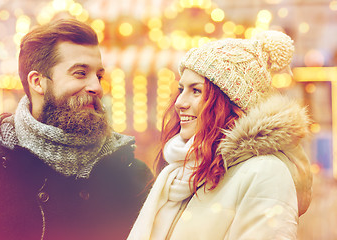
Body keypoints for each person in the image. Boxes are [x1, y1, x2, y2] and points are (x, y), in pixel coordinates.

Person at [128, 30, 313, 240]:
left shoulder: (265, 173)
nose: (180, 102)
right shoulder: (182, 171)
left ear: (229, 102)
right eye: (182, 89)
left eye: (196, 90)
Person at [0, 18, 152, 240]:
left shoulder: (134, 177)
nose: (96, 87)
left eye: (99, 76)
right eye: (80, 73)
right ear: (37, 82)